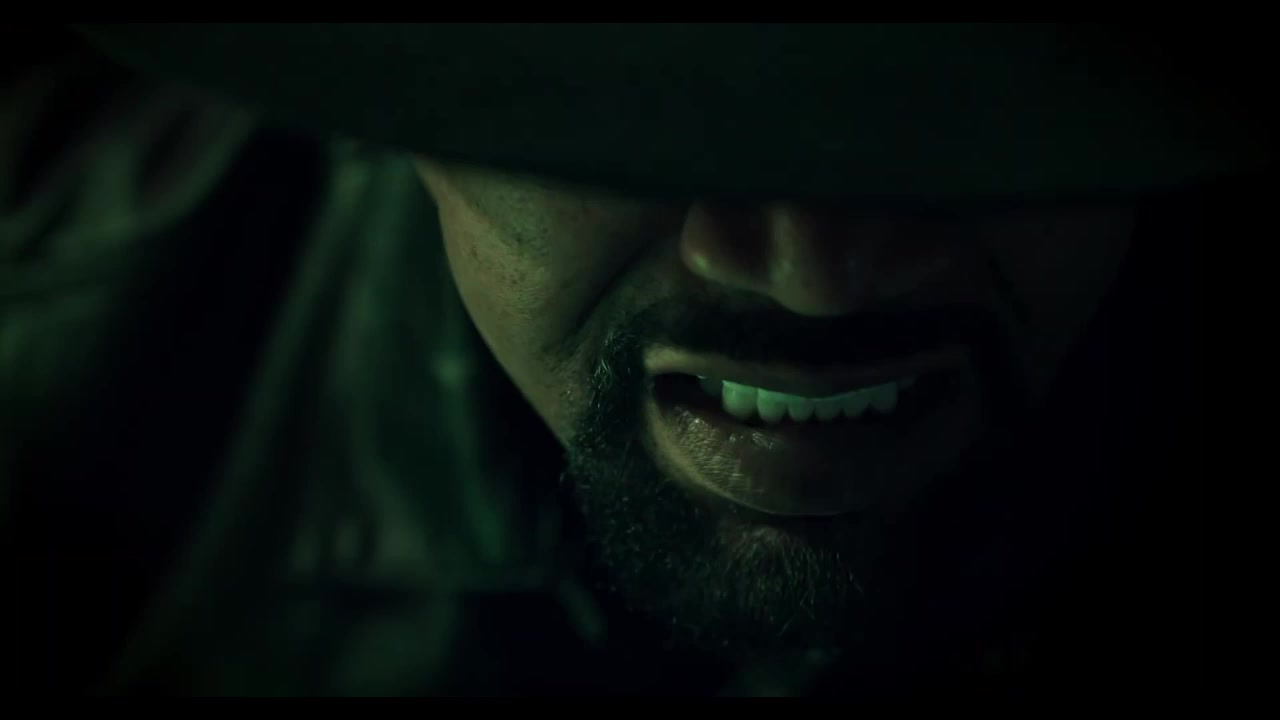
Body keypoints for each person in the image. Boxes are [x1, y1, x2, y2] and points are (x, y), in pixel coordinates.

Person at [0, 24, 1248, 696]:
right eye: (640, 106)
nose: (811, 272)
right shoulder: (47, 330)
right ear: (389, 108)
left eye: (962, 93)